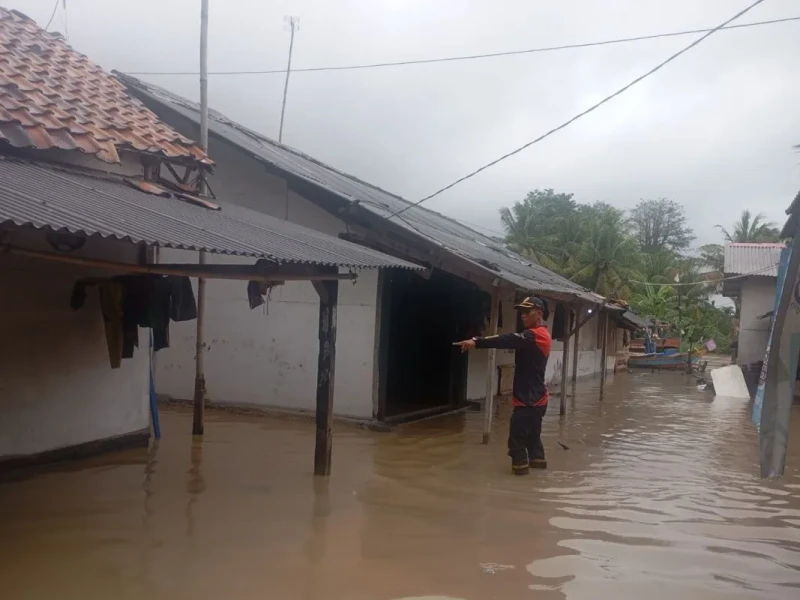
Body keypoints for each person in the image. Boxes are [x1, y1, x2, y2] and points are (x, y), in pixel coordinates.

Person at [456, 296, 552, 476]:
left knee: (516, 444)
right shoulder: (540, 335)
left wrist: (477, 341)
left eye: (527, 312)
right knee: (533, 440)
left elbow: (506, 339)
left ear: (539, 314)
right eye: (521, 312)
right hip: (537, 399)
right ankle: (538, 480)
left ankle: (518, 490)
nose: (522, 316)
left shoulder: (536, 335)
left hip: (529, 400)